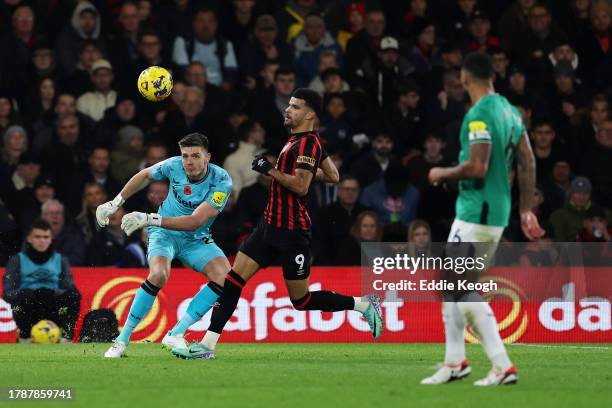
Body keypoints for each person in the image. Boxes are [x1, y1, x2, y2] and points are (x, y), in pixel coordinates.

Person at [172, 89, 383, 360]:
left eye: (295, 107)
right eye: (289, 105)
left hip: (292, 233)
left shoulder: (307, 145)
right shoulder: (304, 141)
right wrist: (307, 162)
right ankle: (207, 346)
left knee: (301, 301)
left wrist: (269, 170)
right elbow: (333, 175)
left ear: (310, 114)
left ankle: (364, 305)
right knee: (233, 281)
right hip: (268, 227)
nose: (288, 109)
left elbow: (301, 185)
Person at [425, 52, 544, 386]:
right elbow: (528, 160)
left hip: (477, 210)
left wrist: (440, 172)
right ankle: (454, 363)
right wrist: (525, 209)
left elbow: (477, 166)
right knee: (453, 284)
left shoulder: (478, 114)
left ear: (464, 78)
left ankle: (501, 364)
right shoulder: (509, 109)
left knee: (459, 288)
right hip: (498, 210)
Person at [99, 133, 233, 358]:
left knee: (225, 278)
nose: (189, 162)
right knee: (158, 274)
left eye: (195, 156)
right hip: (164, 234)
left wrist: (148, 218)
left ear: (207, 157)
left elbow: (195, 222)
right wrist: (115, 203)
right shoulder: (174, 166)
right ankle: (122, 340)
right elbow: (144, 175)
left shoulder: (221, 181)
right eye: (185, 156)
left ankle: (176, 332)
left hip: (196, 238)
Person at [2, 218, 81, 341]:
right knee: (24, 297)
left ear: (51, 239)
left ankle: (66, 339)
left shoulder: (60, 259)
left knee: (73, 296)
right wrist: (32, 293)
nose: (42, 241)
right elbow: (8, 293)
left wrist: (50, 293)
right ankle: (25, 338)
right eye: (38, 237)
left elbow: (69, 288)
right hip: (29, 307)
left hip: (53, 306)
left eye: (45, 237)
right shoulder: (17, 260)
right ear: (30, 238)